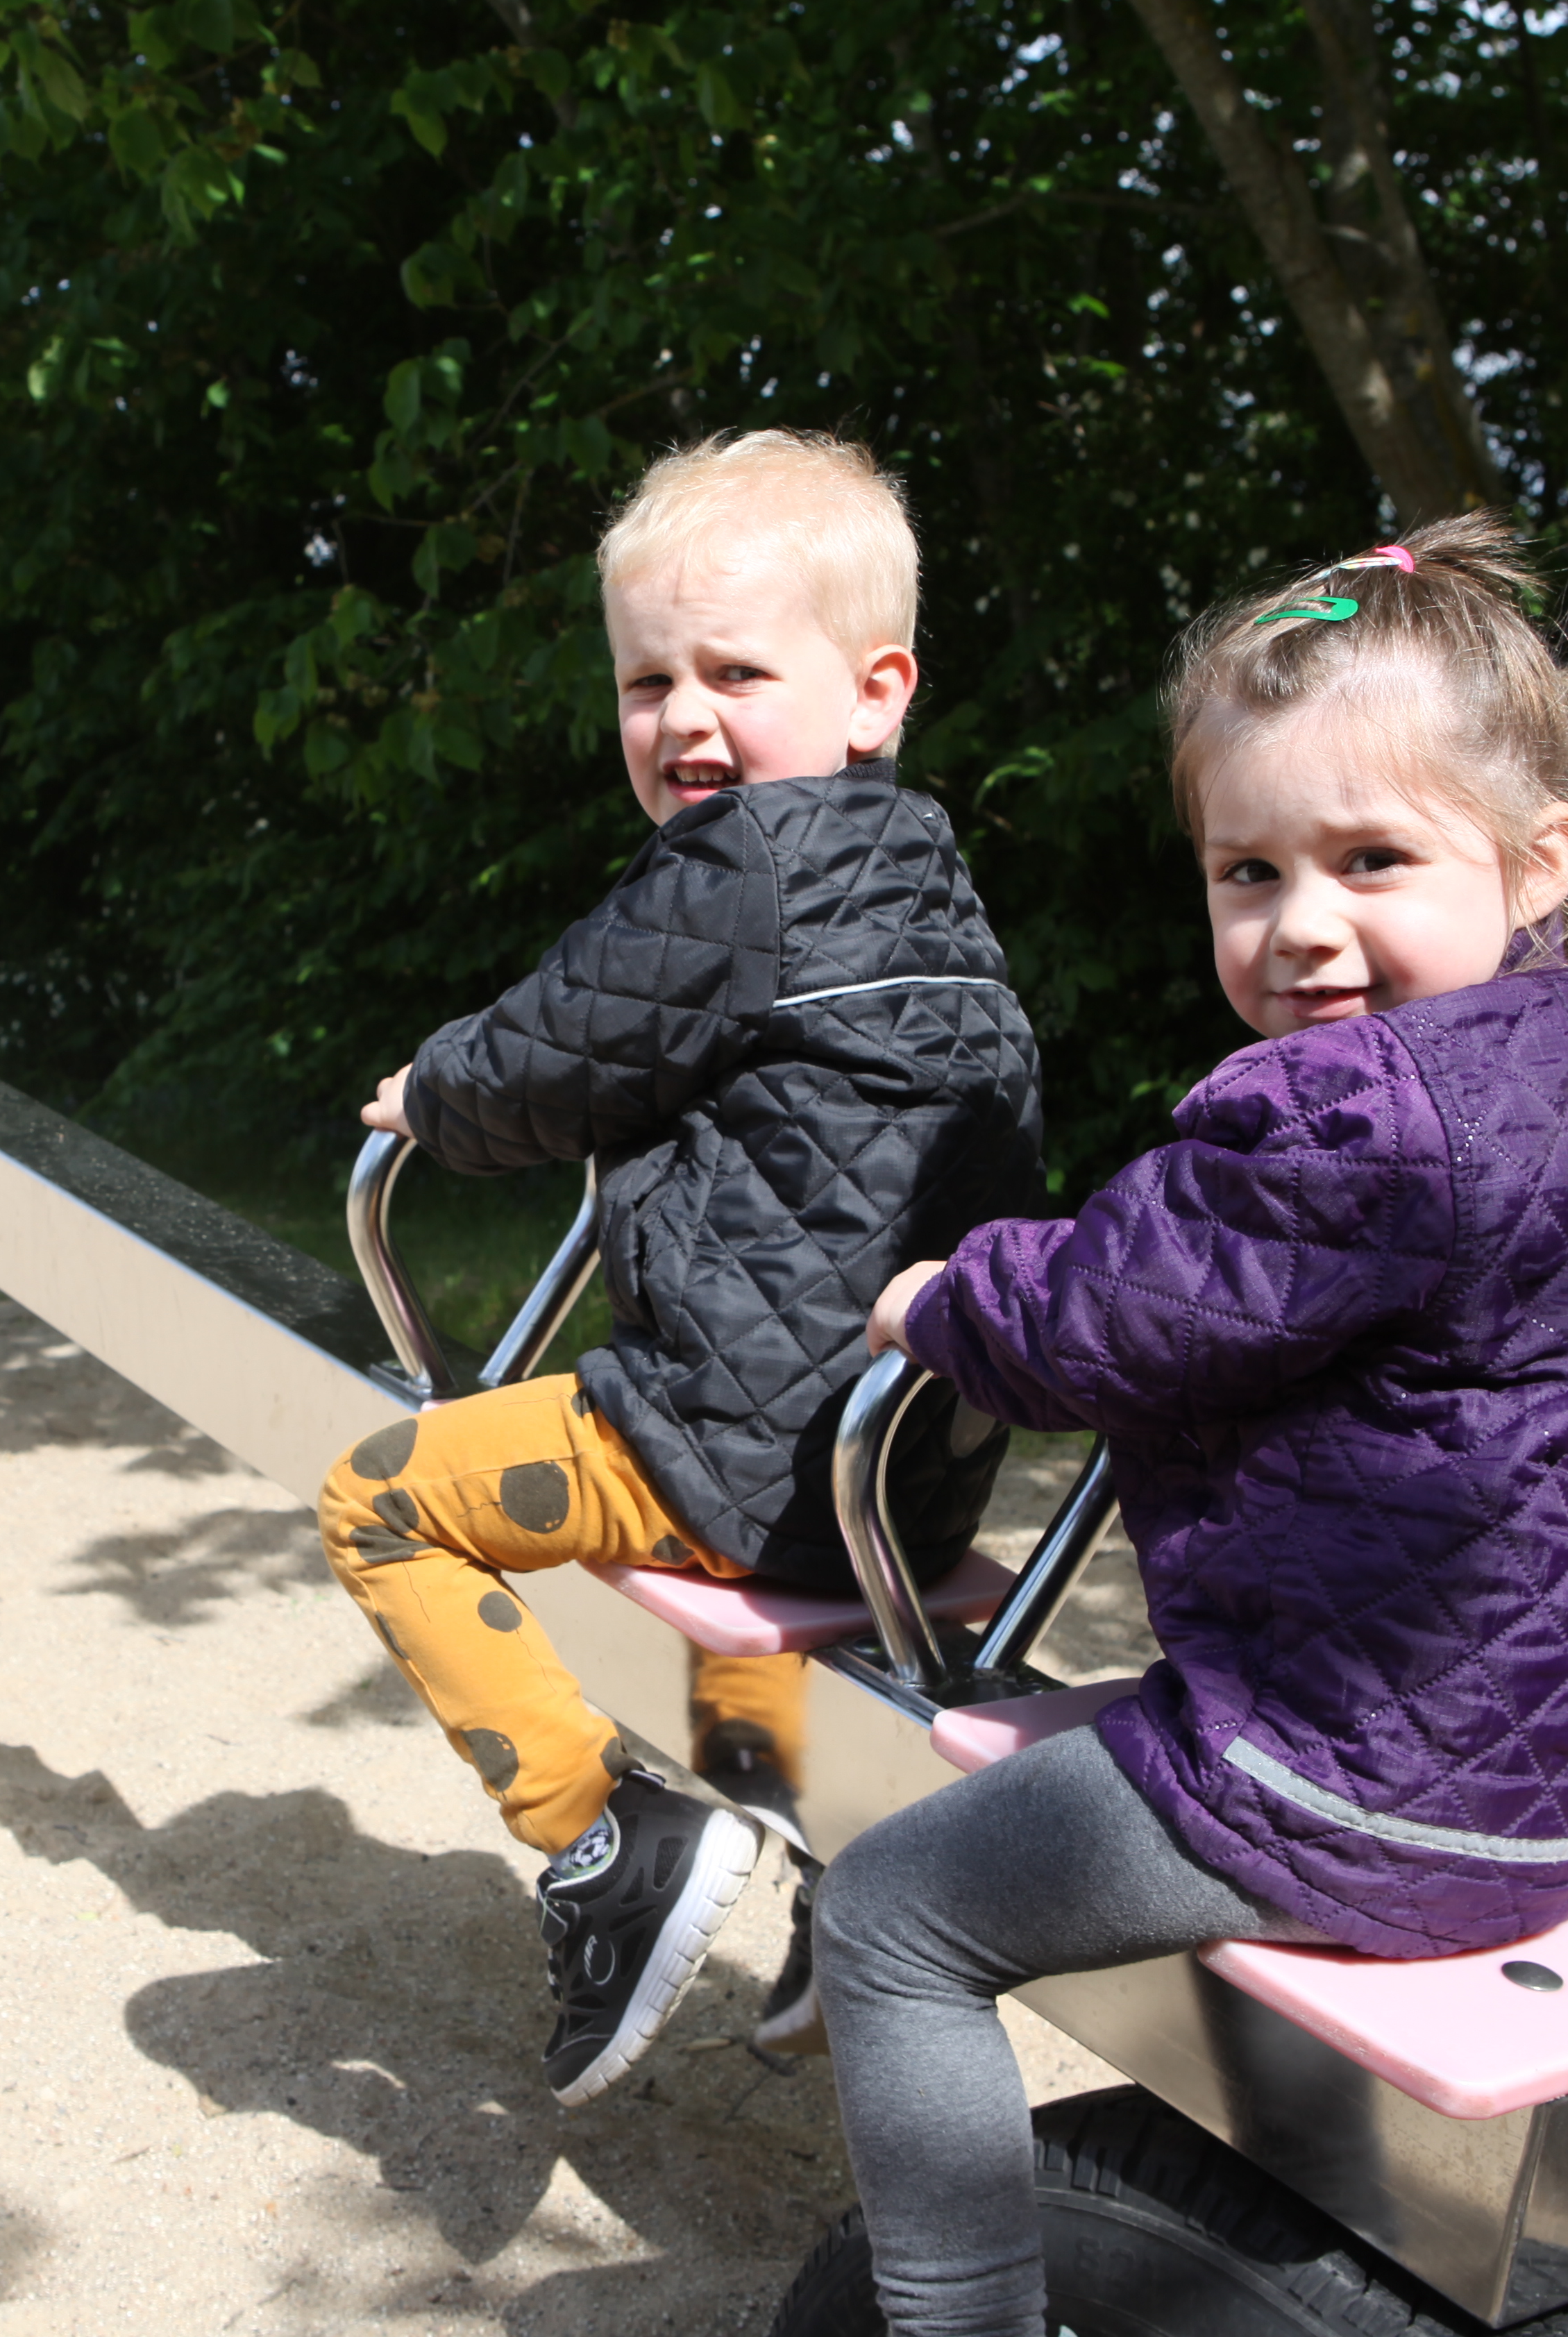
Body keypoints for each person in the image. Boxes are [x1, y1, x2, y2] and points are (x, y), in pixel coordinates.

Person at [818, 517, 1568, 2337]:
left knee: (888, 1917)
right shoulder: (1559, 1079)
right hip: (1564, 1791)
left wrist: (944, 1296)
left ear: (1538, 859)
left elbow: (1105, 1315)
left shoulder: (1371, 1120)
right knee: (1050, 1747)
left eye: (1369, 859)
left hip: (1373, 1793)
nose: (1301, 920)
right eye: (1250, 869)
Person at [315, 432, 1046, 2106]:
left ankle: (600, 1839)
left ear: (875, 693)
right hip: (903, 1477)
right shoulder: (926, 874)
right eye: (648, 682)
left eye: (734, 673)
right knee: (752, 1621)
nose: (684, 720)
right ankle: (835, 1862)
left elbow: (561, 1046)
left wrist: (435, 1092)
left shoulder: (740, 865)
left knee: (379, 1498)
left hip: (734, 1445)